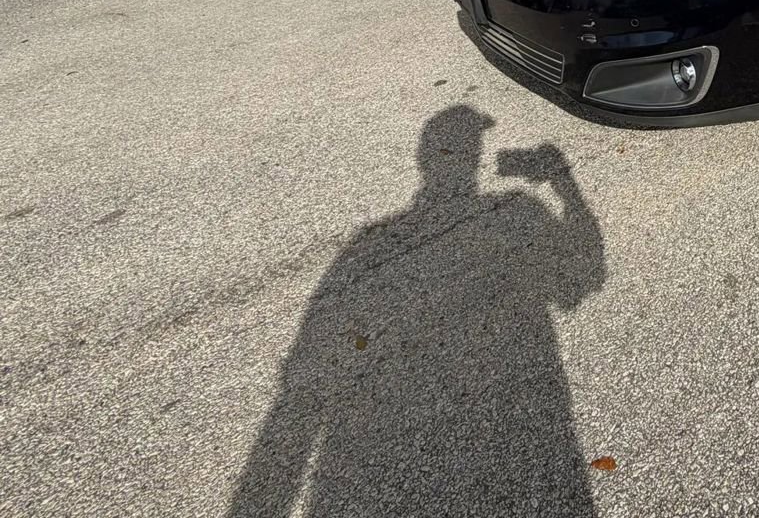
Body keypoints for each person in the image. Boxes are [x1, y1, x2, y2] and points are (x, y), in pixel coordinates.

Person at [228, 106, 606, 517]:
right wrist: (565, 186)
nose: (474, 155)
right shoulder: (520, 208)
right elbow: (581, 284)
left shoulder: (362, 251)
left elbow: (296, 398)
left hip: (366, 475)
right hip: (529, 433)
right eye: (470, 148)